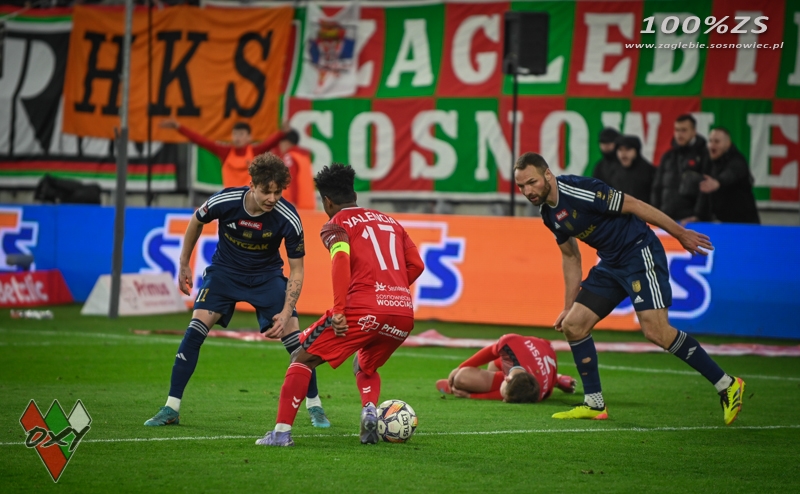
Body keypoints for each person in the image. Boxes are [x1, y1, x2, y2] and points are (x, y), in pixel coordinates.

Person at [513, 152, 745, 425]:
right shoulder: (548, 213)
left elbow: (634, 204)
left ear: (547, 175)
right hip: (611, 263)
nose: (527, 191)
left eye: (532, 182)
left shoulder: (580, 190)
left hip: (639, 252)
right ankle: (594, 403)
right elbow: (571, 256)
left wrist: (680, 233)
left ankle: (727, 384)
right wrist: (567, 306)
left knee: (656, 332)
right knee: (573, 325)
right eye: (521, 186)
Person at [144, 152, 330, 428]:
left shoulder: (288, 217)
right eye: (266, 191)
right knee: (194, 332)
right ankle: (171, 407)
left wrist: (286, 311)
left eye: (278, 192)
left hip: (266, 278)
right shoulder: (226, 201)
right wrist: (183, 263)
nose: (273, 198)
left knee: (295, 342)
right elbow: (196, 220)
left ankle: (315, 406)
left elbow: (297, 269)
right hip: (225, 274)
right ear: (252, 185)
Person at [256, 163, 425, 447]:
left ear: (327, 201)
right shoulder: (391, 222)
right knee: (365, 364)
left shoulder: (336, 224)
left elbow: (341, 259)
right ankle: (369, 410)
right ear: (354, 194)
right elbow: (417, 265)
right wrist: (391, 289)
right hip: (402, 314)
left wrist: (339, 309)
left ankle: (281, 434)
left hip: (362, 309)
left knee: (301, 357)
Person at [435, 334, 577, 403]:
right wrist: (461, 367)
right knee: (474, 371)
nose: (502, 400)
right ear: (507, 378)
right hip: (539, 348)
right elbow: (491, 352)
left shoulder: (534, 393)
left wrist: (471, 395)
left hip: (544, 366)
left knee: (463, 378)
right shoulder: (509, 345)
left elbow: (509, 394)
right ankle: (557, 379)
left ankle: (556, 379)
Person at [160, 119, 287, 188]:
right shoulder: (225, 152)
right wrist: (179, 127)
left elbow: (270, 143)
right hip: (229, 198)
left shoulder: (254, 152)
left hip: (250, 198)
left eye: (241, 134)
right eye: (235, 134)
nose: (237, 138)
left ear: (249, 137)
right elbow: (201, 141)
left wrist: (282, 132)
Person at [651, 114, 710, 224]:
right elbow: (657, 187)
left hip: (691, 222)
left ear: (694, 131)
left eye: (684, 130)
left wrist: (698, 215)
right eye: (677, 130)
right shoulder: (667, 156)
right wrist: (655, 213)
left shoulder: (704, 155)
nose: (679, 134)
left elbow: (706, 189)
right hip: (666, 219)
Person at [698, 127, 760, 224]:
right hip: (723, 223)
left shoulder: (738, 160)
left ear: (728, 144)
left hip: (744, 224)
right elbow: (704, 191)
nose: (712, 145)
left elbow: (731, 174)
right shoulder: (708, 161)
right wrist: (698, 216)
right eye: (710, 141)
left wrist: (718, 182)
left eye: (717, 141)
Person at [275, 130, 316, 210]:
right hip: (308, 205)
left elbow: (291, 179)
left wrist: (293, 202)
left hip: (296, 206)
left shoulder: (289, 156)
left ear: (286, 142)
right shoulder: (304, 157)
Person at [610, 135, 656, 204]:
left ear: (636, 151)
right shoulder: (614, 171)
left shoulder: (649, 172)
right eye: (620, 149)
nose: (623, 154)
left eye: (627, 149)